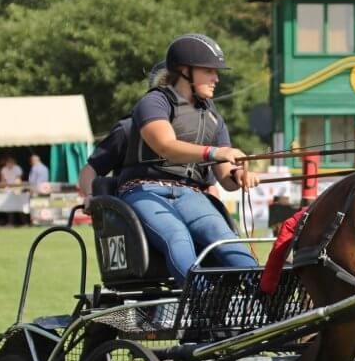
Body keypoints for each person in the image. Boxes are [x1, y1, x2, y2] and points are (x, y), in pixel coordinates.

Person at [114, 34, 258, 281]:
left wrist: (239, 175)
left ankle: (264, 296)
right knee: (176, 235)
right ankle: (202, 300)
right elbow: (165, 146)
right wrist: (215, 152)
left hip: (192, 194)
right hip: (144, 190)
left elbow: (224, 177)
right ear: (185, 70)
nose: (217, 78)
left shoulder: (213, 118)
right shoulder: (154, 102)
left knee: (224, 237)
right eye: (209, 71)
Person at [78, 61, 167, 199]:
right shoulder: (128, 129)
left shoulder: (197, 131)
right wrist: (90, 196)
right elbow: (90, 169)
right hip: (136, 205)